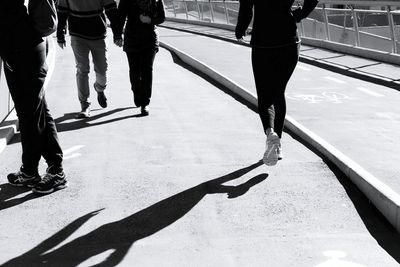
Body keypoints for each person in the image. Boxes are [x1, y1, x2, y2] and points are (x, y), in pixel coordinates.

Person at [235, 0, 319, 166]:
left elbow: (246, 7)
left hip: (263, 43)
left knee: (265, 95)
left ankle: (270, 133)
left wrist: (240, 30)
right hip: (289, 42)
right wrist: (299, 14)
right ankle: (277, 143)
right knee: (278, 92)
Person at [0, 0, 67, 194]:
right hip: (21, 47)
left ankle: (38, 170)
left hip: (22, 49)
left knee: (30, 115)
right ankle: (50, 169)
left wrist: (11, 50)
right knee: (36, 112)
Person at [56, 0, 122, 118]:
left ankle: (99, 89)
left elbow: (111, 10)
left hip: (99, 35)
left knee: (102, 70)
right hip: (78, 35)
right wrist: (60, 33)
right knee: (82, 69)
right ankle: (85, 106)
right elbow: (62, 11)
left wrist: (117, 33)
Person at [115, 0, 165, 116]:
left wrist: (150, 20)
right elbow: (120, 16)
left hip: (150, 39)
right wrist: (117, 35)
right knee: (135, 71)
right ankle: (136, 92)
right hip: (132, 39)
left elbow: (162, 17)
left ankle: (145, 103)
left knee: (147, 70)